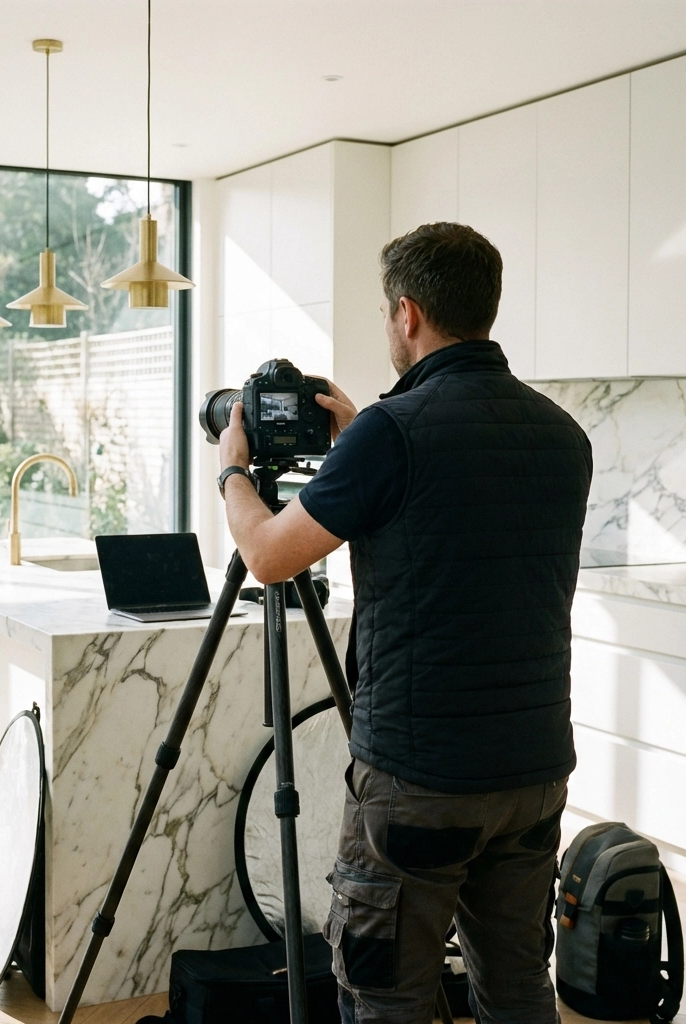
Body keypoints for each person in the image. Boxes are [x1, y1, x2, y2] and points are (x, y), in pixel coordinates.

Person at [216, 222, 593, 1023]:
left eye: (388, 312)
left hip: (421, 783)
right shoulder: (562, 434)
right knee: (519, 986)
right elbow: (457, 513)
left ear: (409, 313)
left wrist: (233, 470)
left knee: (385, 992)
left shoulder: (394, 433)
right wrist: (365, 441)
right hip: (532, 775)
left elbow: (270, 557)